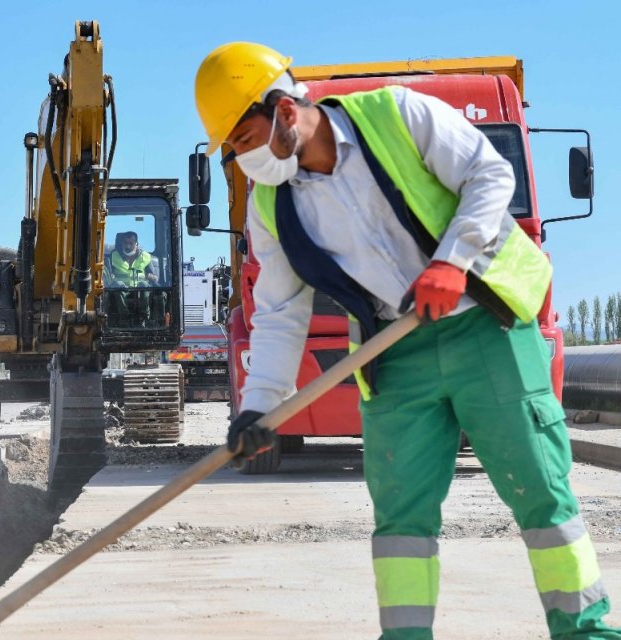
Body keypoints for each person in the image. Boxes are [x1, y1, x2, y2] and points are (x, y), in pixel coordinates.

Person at [194, 42, 620, 639]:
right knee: (399, 520)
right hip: (396, 352)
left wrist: (453, 261)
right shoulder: (270, 206)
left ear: (285, 112)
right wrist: (259, 406)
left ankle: (585, 632)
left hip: (486, 327)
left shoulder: (395, 114)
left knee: (541, 494)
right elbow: (280, 311)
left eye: (243, 141)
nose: (243, 161)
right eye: (233, 151)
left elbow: (490, 173)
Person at [107, 231, 164, 327]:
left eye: (131, 243)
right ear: (121, 243)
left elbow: (154, 277)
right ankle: (124, 318)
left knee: (144, 285)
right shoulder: (113, 256)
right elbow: (108, 275)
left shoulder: (145, 257)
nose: (128, 246)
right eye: (125, 243)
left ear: (136, 244)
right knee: (118, 284)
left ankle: (144, 316)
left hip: (140, 289)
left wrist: (151, 277)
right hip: (122, 290)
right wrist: (112, 278)